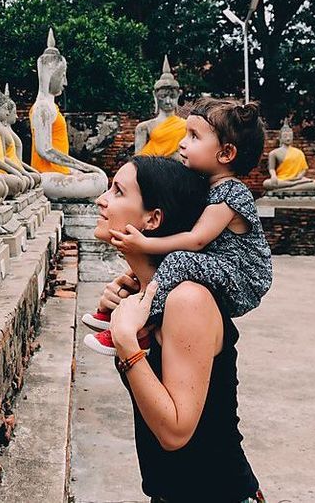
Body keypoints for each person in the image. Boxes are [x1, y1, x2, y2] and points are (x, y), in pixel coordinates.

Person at [92, 156, 264, 502]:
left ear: (152, 219)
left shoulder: (188, 300)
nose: (102, 199)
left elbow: (175, 432)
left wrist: (127, 343)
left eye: (118, 190)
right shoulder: (151, 297)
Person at [83, 98, 272, 353]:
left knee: (178, 261)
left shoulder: (231, 192)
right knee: (155, 270)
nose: (182, 143)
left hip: (240, 276)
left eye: (194, 136)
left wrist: (145, 242)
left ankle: (141, 326)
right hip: (218, 266)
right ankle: (121, 309)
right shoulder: (207, 187)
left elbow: (196, 240)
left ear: (226, 153)